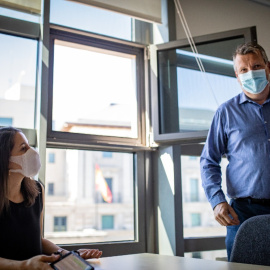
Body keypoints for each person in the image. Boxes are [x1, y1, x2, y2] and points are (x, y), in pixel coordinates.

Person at [200, 42, 270, 261]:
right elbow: (208, 160)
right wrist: (217, 201)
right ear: (237, 76)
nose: (251, 73)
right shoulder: (226, 112)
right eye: (243, 70)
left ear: (268, 67)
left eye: (256, 65)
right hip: (244, 212)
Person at [0, 126, 102, 269]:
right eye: (23, 148)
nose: (32, 152)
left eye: (30, 146)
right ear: (6, 160)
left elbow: (38, 240)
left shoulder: (37, 191)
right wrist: (23, 265)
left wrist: (69, 255)